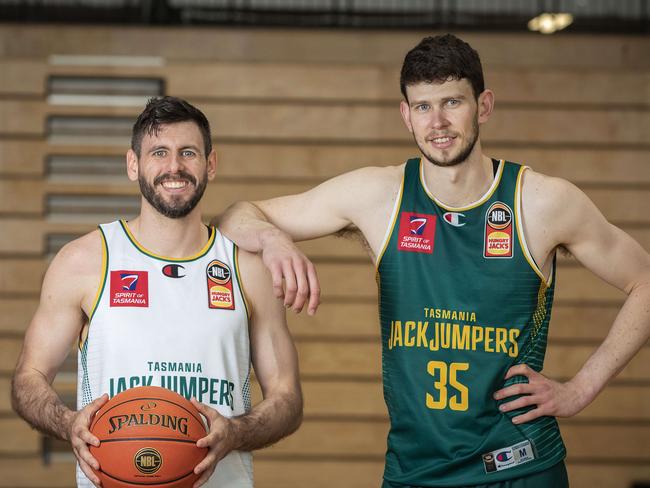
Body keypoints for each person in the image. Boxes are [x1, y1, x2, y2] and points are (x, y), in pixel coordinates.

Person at [217, 34, 650, 487]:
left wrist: (580, 389)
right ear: (406, 114)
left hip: (521, 467)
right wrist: (273, 239)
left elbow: (643, 282)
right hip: (415, 471)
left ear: (483, 106)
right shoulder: (380, 196)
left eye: (452, 102)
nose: (438, 122)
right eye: (423, 106)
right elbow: (235, 217)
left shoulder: (540, 202)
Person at [11, 96, 302, 488]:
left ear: (210, 164)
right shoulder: (84, 261)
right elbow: (27, 377)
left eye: (188, 153)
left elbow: (287, 398)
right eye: (159, 153)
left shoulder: (246, 269)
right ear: (133, 164)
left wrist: (237, 431)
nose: (174, 167)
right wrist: (68, 423)